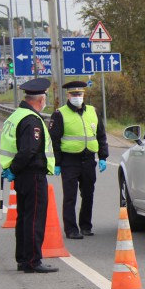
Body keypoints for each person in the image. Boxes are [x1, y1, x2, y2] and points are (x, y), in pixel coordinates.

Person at [0, 77, 58, 273]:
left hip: (22, 176)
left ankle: (23, 259)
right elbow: (28, 150)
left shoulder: (17, 115)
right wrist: (15, 169)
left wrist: (12, 170)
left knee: (23, 218)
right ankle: (33, 261)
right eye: (45, 98)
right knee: (34, 218)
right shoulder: (32, 119)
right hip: (32, 174)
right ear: (40, 100)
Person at [48, 80, 109, 239]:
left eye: (79, 94)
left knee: (88, 194)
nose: (77, 97)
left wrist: (103, 156)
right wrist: (57, 163)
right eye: (74, 94)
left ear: (83, 95)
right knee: (70, 196)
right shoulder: (59, 114)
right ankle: (71, 229)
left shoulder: (93, 111)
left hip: (88, 159)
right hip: (69, 161)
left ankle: (86, 226)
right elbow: (54, 140)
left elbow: (101, 135)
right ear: (68, 95)